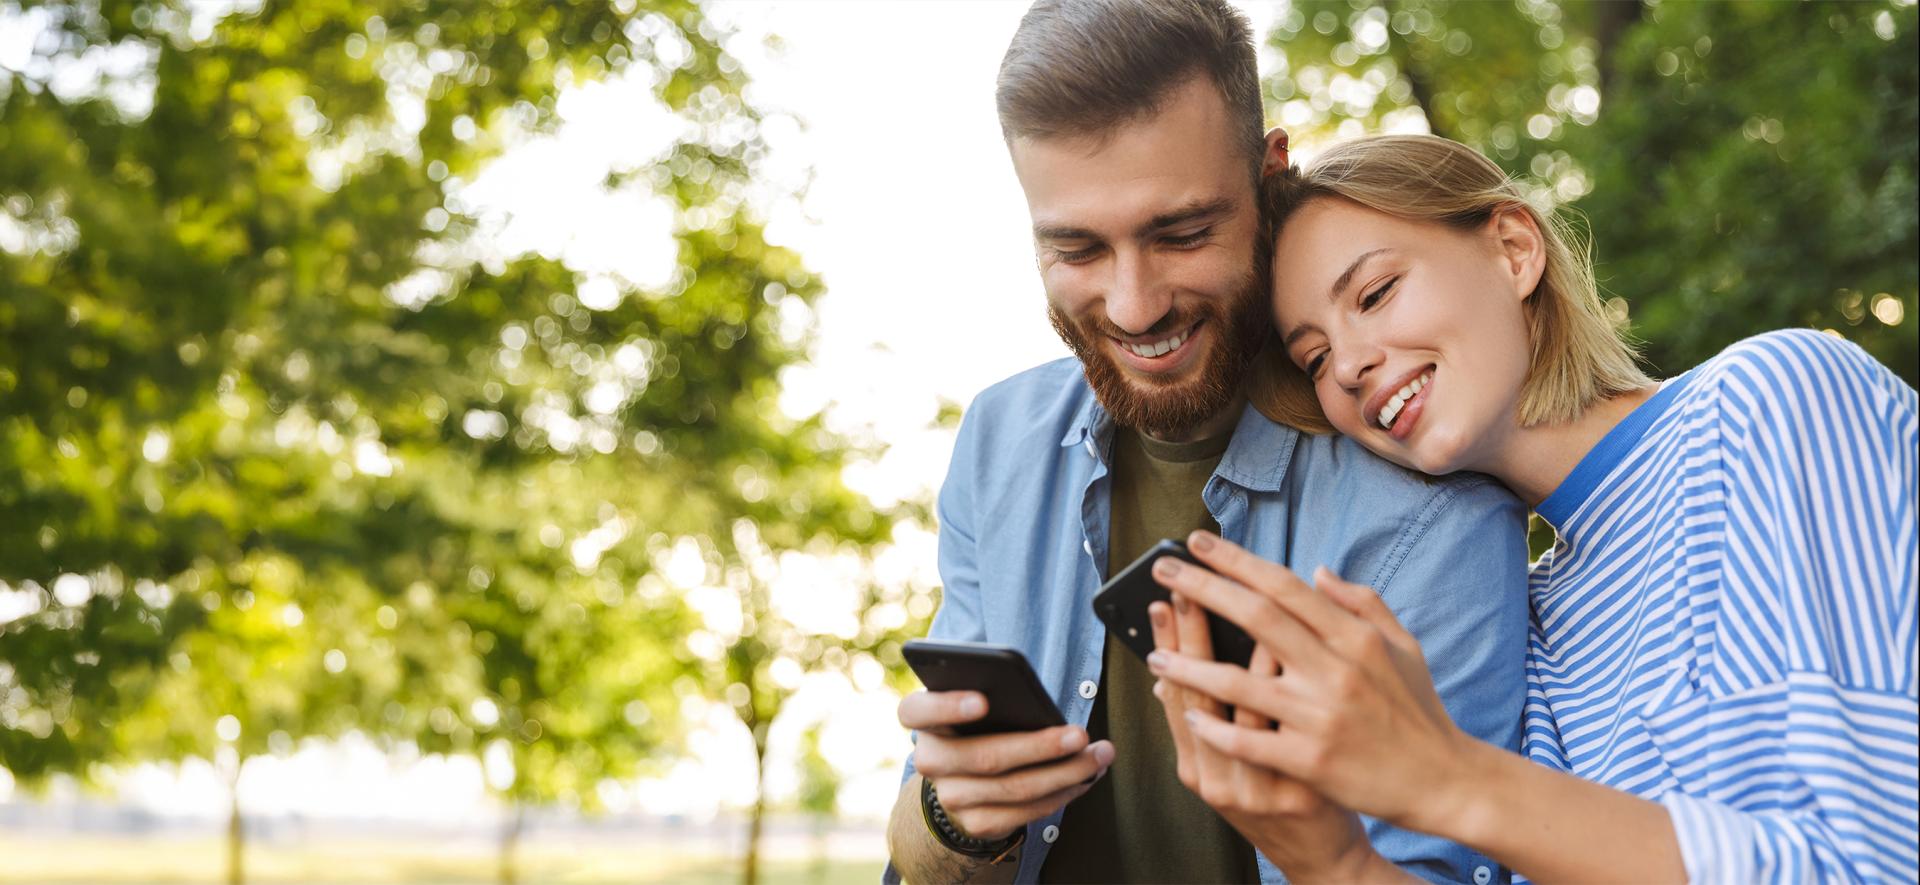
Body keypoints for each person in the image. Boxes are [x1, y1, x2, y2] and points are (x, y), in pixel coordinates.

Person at [1146, 133, 1920, 883]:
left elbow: (1883, 857)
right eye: (1313, 358)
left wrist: (1446, 776)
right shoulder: (1529, 630)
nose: (1348, 365)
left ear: (1514, 250)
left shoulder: (1770, 402)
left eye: (1376, 293)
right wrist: (1333, 861)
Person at [885, 4, 1532, 884]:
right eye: (1076, 248)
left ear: (1272, 180)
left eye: (1182, 233)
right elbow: (923, 844)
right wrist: (951, 819)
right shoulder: (1000, 443)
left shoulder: (1424, 488)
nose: (1134, 305)